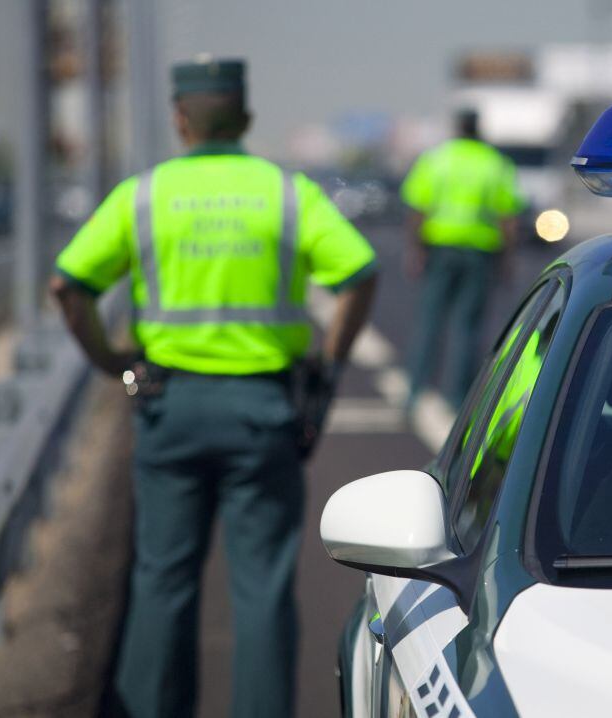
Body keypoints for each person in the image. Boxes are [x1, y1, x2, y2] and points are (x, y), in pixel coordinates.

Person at [49, 57, 377, 717]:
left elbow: (68, 286)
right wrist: (329, 365)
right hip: (263, 410)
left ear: (179, 118)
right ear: (246, 118)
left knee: (162, 582)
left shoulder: (143, 196)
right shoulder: (286, 194)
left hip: (170, 407)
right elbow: (359, 274)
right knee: (261, 589)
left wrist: (111, 360)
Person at [400, 109, 524, 410]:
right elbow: (508, 216)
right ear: (478, 128)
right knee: (467, 327)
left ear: (457, 126)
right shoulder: (494, 163)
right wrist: (507, 260)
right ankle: (457, 398)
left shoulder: (436, 159)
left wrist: (415, 250)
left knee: (429, 321)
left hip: (439, 248)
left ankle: (415, 391)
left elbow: (417, 208)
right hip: (479, 252)